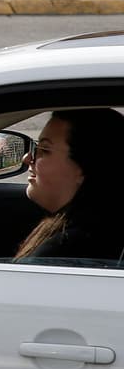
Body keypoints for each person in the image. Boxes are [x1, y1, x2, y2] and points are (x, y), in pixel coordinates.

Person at [13, 108, 124, 263]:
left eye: (44, 150)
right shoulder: (104, 227)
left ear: (83, 168)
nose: (27, 157)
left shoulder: (59, 253)